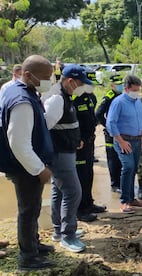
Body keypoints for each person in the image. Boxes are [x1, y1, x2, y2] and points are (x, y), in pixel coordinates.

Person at [0, 55, 55, 270]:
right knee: (28, 210)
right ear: (28, 75)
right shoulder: (22, 101)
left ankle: (34, 243)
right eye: (45, 77)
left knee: (33, 207)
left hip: (26, 165)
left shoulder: (20, 90)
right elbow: (19, 143)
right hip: (25, 168)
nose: (49, 81)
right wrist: (39, 169)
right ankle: (28, 257)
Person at [42, 64, 92, 253]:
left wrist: (74, 140)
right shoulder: (56, 98)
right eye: (80, 83)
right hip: (59, 154)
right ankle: (68, 236)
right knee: (73, 191)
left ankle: (58, 231)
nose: (82, 87)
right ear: (70, 81)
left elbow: (62, 125)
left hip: (66, 150)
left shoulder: (65, 95)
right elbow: (44, 128)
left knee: (59, 191)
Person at [106, 74, 142, 213]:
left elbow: (141, 118)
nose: (137, 92)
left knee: (134, 168)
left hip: (137, 140)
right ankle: (124, 201)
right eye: (134, 90)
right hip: (124, 140)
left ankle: (131, 198)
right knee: (128, 167)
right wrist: (121, 141)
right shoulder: (118, 102)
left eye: (138, 90)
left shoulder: (138, 101)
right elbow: (110, 123)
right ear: (126, 89)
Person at [72, 80, 106, 222]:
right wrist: (77, 138)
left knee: (88, 173)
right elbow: (72, 121)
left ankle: (88, 203)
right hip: (79, 144)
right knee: (80, 175)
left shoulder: (90, 97)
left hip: (90, 141)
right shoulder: (74, 98)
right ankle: (79, 209)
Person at [95, 75, 123, 193]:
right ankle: (114, 184)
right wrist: (108, 126)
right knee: (113, 158)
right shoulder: (109, 97)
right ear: (112, 85)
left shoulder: (122, 95)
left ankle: (121, 182)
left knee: (121, 158)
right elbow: (98, 114)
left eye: (121, 83)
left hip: (122, 131)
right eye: (118, 84)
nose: (120, 86)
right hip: (111, 133)